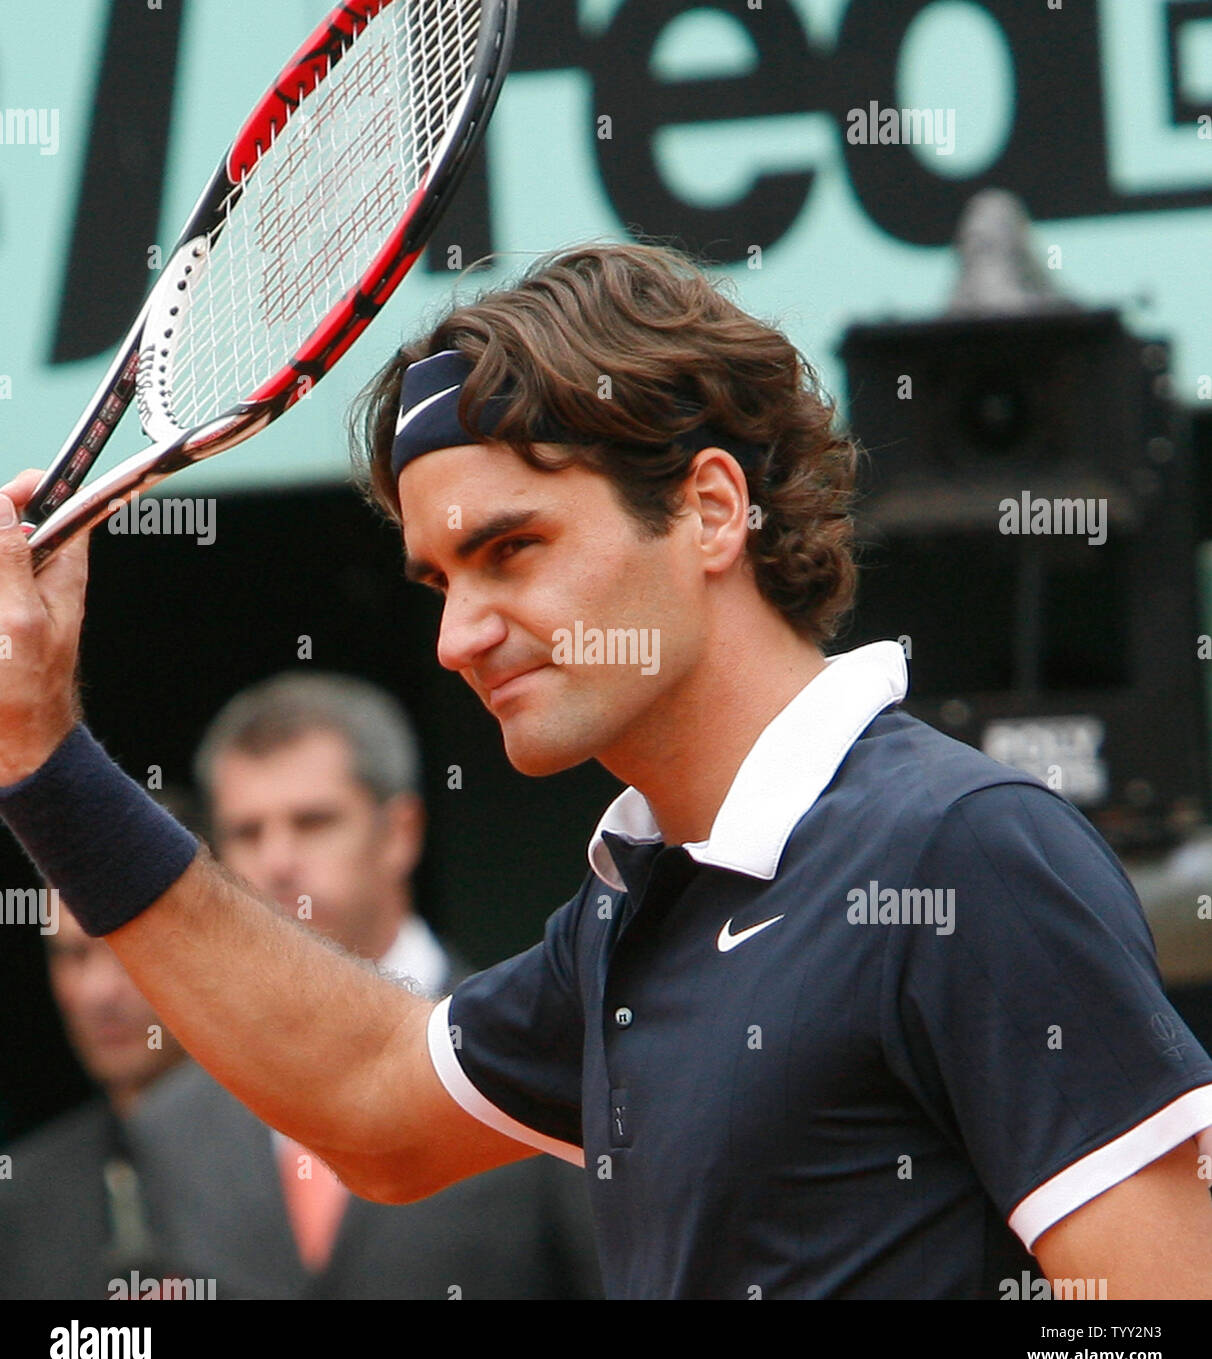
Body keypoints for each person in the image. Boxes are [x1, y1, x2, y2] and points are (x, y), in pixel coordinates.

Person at [1, 242, 1210, 1300]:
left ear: (711, 510)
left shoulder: (964, 850)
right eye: (439, 580)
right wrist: (41, 752)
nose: (457, 634)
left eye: (511, 549)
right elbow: (368, 1097)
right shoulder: (632, 915)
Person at [129, 672, 600, 1299]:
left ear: (400, 833)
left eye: (313, 822)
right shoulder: (172, 1122)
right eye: (246, 833)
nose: (276, 862)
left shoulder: (534, 1054)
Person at [0, 841, 190, 1299]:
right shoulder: (22, 1199)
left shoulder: (293, 1162)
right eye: (74, 956)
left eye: (127, 950)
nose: (98, 994)